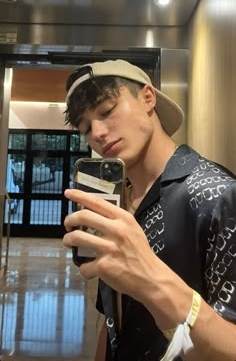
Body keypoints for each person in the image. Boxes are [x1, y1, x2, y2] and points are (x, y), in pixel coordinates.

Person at [63, 59, 236, 361]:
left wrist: (151, 281)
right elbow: (113, 321)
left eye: (107, 111)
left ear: (147, 98)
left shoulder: (216, 194)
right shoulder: (115, 203)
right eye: (86, 127)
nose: (98, 133)